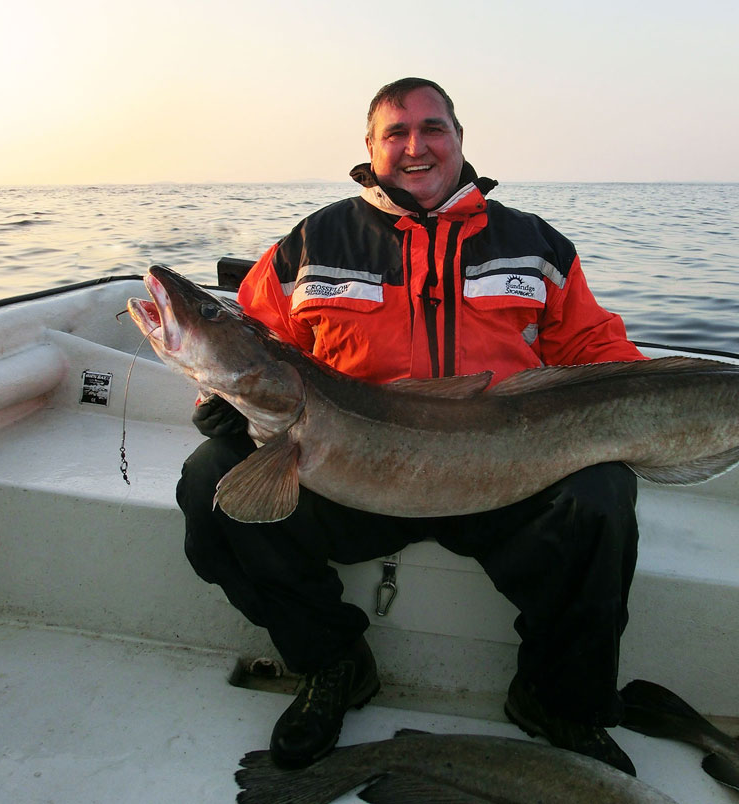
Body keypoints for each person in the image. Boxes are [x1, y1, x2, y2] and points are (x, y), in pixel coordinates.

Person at [176, 77, 646, 775]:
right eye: (395, 132)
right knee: (209, 483)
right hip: (351, 472)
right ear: (370, 148)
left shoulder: (535, 242)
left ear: (458, 140)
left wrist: (677, 403)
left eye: (432, 129)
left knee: (600, 495)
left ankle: (556, 698)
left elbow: (594, 347)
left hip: (504, 473)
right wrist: (216, 402)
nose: (415, 146)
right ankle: (333, 662)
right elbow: (257, 343)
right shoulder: (310, 241)